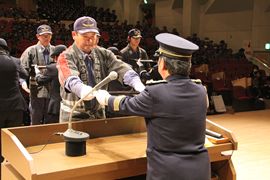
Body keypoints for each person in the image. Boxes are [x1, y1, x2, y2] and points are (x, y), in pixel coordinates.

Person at [95, 33, 210, 180]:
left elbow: (125, 104)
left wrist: (106, 99)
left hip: (168, 172)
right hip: (200, 170)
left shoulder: (156, 93)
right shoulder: (201, 90)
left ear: (162, 64)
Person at [57, 16, 145, 122]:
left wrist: (135, 82)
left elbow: (120, 67)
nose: (90, 40)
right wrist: (81, 89)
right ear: (74, 35)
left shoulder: (104, 53)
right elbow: (69, 78)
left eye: (93, 36)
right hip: (73, 115)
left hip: (99, 113)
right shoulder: (66, 55)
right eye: (85, 36)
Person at [20, 24, 55, 125]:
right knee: (35, 117)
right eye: (44, 35)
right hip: (36, 90)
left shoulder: (55, 50)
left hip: (52, 91)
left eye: (49, 35)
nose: (46, 37)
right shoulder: (31, 50)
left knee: (50, 119)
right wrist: (23, 83)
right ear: (38, 36)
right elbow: (23, 69)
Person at [0, 38, 28, 162]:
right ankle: (10, 164)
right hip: (16, 106)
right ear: (6, 49)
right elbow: (25, 75)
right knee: (12, 139)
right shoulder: (15, 61)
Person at [34, 45, 67, 123]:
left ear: (55, 57)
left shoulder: (52, 68)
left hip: (56, 106)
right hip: (68, 105)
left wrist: (37, 72)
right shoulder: (73, 66)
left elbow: (40, 80)